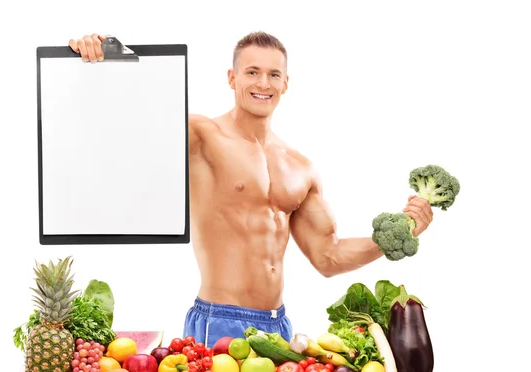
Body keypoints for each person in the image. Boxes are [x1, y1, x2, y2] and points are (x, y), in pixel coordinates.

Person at [68, 32, 433, 348]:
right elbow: (128, 122)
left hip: (280, 327)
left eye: (274, 74)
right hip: (218, 323)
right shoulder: (202, 135)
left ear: (286, 82)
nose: (263, 84)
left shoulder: (300, 167)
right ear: (232, 78)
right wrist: (101, 61)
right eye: (252, 72)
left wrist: (398, 234)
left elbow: (329, 257)